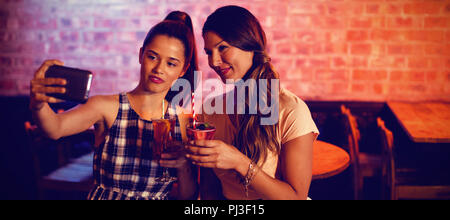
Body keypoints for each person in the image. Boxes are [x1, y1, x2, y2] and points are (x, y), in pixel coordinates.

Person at [29, 11, 198, 200]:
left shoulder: (183, 122)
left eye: (171, 64)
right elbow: (55, 128)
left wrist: (183, 166)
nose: (159, 69)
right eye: (153, 57)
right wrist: (38, 104)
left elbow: (188, 197)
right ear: (141, 55)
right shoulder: (106, 107)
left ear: (183, 70)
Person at [186, 5, 319, 200]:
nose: (214, 61)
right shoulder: (210, 110)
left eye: (223, 48)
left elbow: (296, 197)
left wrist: (239, 162)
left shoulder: (291, 110)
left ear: (249, 44)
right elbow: (209, 190)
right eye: (208, 52)